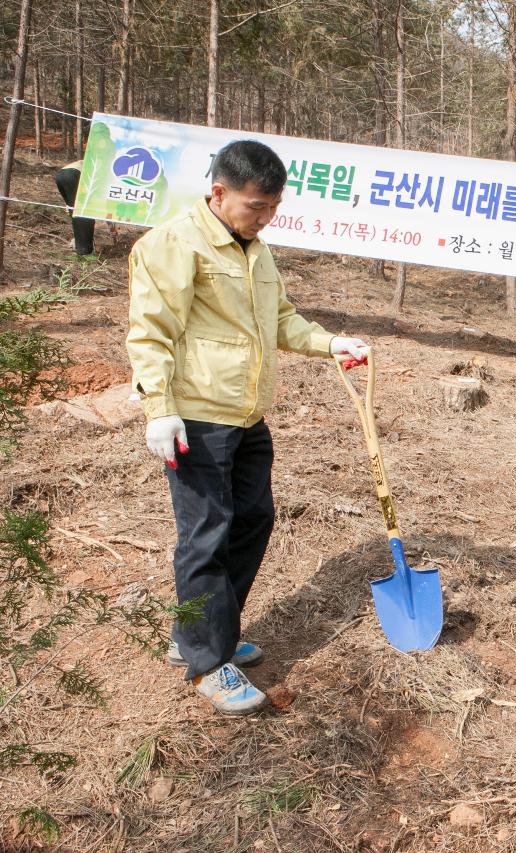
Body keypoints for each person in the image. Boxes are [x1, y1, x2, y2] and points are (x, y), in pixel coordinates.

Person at [126, 140, 369, 715]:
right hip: (197, 416)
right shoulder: (173, 245)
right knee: (205, 534)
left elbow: (280, 319)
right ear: (219, 193)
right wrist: (158, 407)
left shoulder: (255, 249)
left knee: (254, 518)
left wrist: (329, 343)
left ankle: (210, 629)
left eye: (273, 207)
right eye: (256, 206)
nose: (265, 218)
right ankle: (206, 662)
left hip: (246, 414)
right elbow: (150, 332)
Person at [54, 160, 97, 256]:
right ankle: (84, 250)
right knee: (85, 211)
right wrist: (112, 228)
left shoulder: (92, 161)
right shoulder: (102, 171)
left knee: (73, 209)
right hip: (75, 175)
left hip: (60, 175)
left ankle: (79, 242)